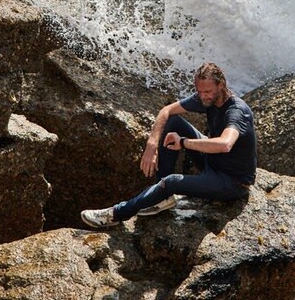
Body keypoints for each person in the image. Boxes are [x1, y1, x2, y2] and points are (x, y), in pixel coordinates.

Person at [81, 62, 257, 228]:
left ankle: (115, 214)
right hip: (212, 162)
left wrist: (183, 142)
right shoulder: (207, 99)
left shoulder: (237, 111)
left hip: (231, 182)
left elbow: (224, 144)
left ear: (221, 85)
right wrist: (151, 145)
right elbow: (166, 111)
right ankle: (161, 197)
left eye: (208, 92)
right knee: (172, 122)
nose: (203, 96)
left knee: (172, 181)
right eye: (199, 91)